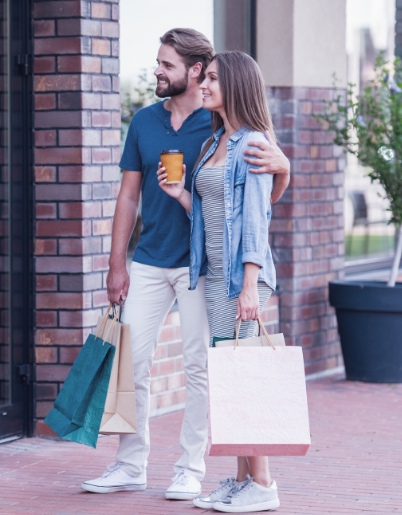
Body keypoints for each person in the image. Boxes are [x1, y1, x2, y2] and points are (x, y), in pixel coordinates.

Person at [81, 29, 290, 501]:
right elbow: (131, 196)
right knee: (134, 362)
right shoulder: (160, 124)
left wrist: (285, 168)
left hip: (206, 268)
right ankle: (131, 465)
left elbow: (256, 208)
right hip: (159, 260)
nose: (156, 70)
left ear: (196, 72)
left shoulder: (226, 129)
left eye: (166, 64)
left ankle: (194, 470)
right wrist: (119, 263)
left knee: (208, 367)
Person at [158, 50, 282, 512]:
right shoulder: (215, 144)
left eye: (211, 78)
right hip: (214, 277)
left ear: (235, 85)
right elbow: (211, 218)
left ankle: (263, 485)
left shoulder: (253, 144)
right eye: (203, 77)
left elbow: (254, 221)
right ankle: (240, 479)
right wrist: (181, 195)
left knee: (243, 379)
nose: (203, 84)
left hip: (239, 279)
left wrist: (248, 286)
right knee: (230, 377)